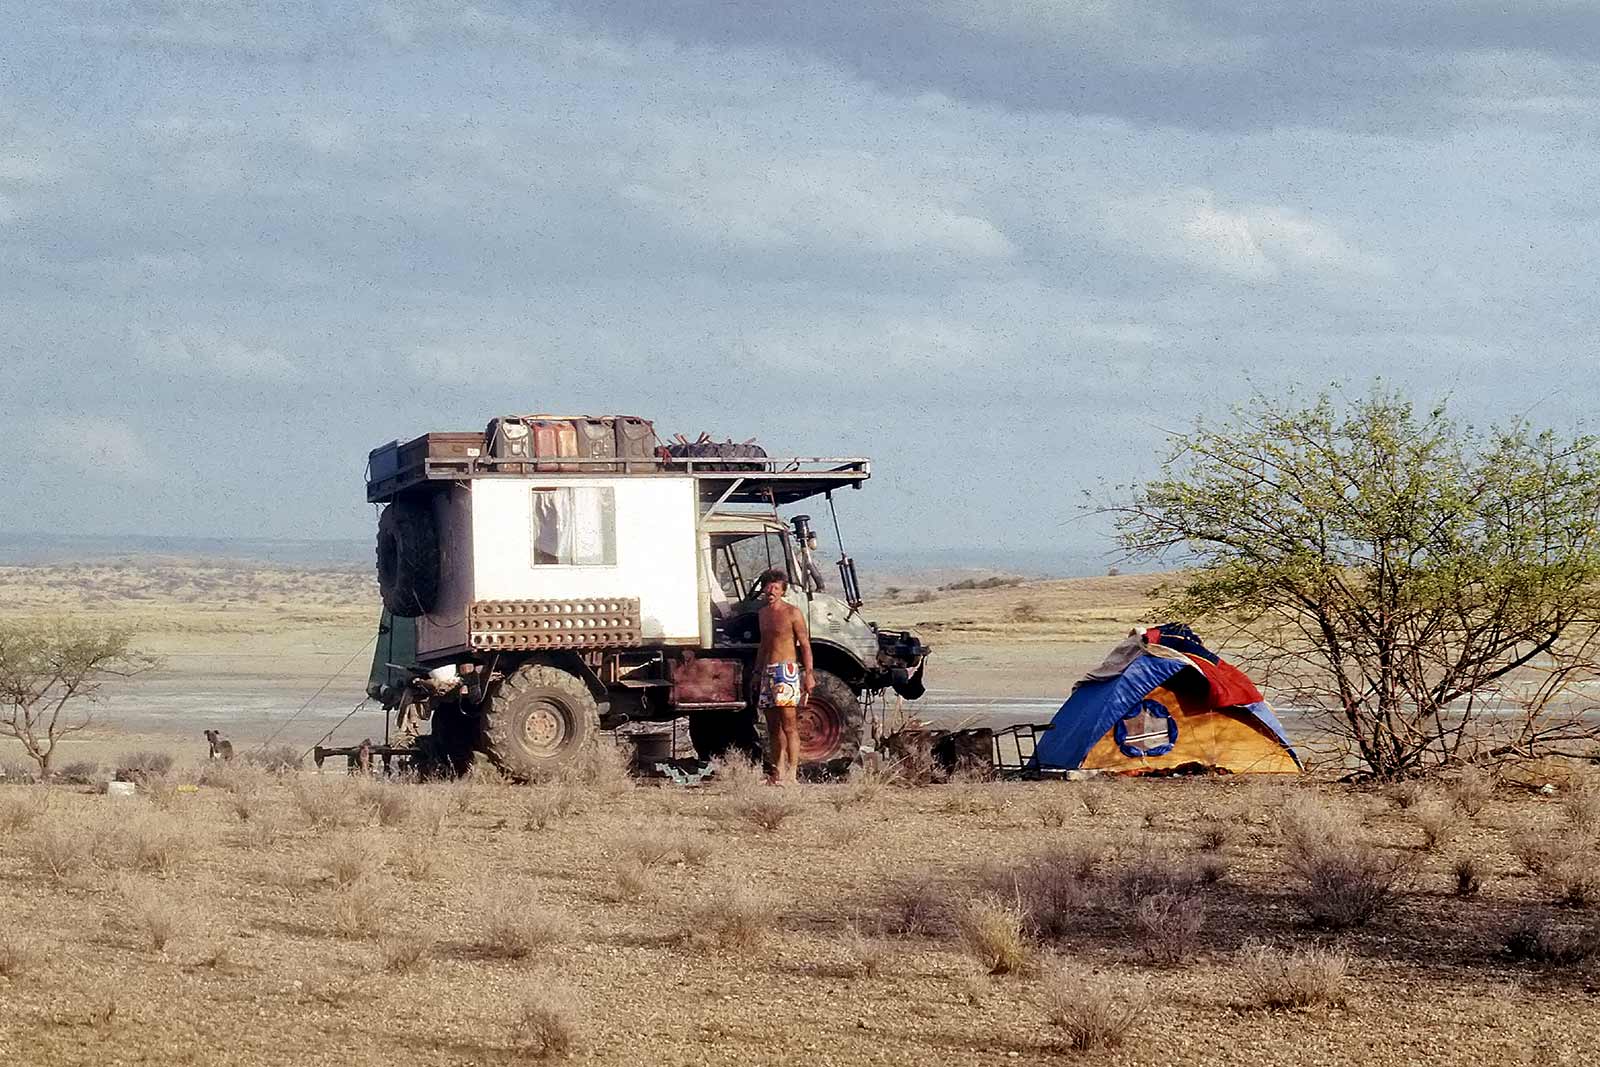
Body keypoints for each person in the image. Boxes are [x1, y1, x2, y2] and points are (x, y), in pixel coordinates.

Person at [754, 567, 814, 785]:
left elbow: (805, 645)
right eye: (768, 586)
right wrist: (756, 672)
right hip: (767, 672)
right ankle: (777, 771)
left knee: (789, 724)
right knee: (772, 726)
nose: (771, 590)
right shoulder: (762, 614)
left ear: (782, 591)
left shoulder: (792, 612)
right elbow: (763, 646)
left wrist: (808, 674)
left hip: (786, 671)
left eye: (776, 587)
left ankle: (793, 773)